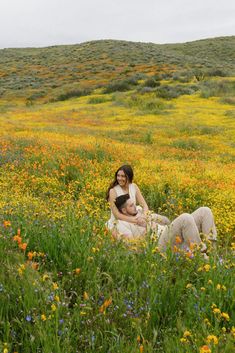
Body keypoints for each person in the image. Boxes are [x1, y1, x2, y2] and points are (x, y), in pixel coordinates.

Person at [114, 193, 217, 253]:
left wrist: (150, 217)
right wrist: (147, 228)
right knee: (186, 217)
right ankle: (201, 255)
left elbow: (166, 221)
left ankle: (212, 253)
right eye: (131, 206)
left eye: (134, 204)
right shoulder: (121, 224)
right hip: (158, 244)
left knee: (205, 211)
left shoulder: (140, 211)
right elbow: (133, 246)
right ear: (123, 210)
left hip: (169, 232)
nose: (135, 206)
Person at [106, 164, 170, 237]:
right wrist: (136, 220)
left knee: (164, 220)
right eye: (118, 175)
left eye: (123, 176)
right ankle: (166, 233)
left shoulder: (134, 187)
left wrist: (143, 216)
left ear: (129, 177)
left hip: (137, 215)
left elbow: (144, 205)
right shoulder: (113, 191)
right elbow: (117, 215)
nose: (119, 178)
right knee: (152, 227)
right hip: (122, 221)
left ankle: (171, 228)